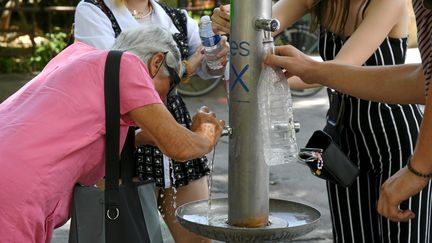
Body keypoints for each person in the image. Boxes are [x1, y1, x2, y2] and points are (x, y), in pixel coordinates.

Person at [212, 0, 432, 242]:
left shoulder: (389, 2)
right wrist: (233, 21)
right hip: (341, 142)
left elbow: (340, 69)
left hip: (395, 142)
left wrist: (274, 73)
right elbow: (259, 27)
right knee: (350, 236)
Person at [0, 26, 224, 243]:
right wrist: (206, 134)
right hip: (14, 194)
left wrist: (141, 138)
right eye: (172, 84)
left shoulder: (78, 57)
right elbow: (179, 147)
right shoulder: (128, 65)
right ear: (156, 62)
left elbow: (76, 135)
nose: (165, 101)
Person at [74, 1, 228, 242]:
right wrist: (185, 68)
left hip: (175, 122)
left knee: (198, 236)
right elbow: (115, 76)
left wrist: (217, 52)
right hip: (125, 130)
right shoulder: (95, 10)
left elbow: (210, 68)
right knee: (129, 235)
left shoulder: (176, 16)